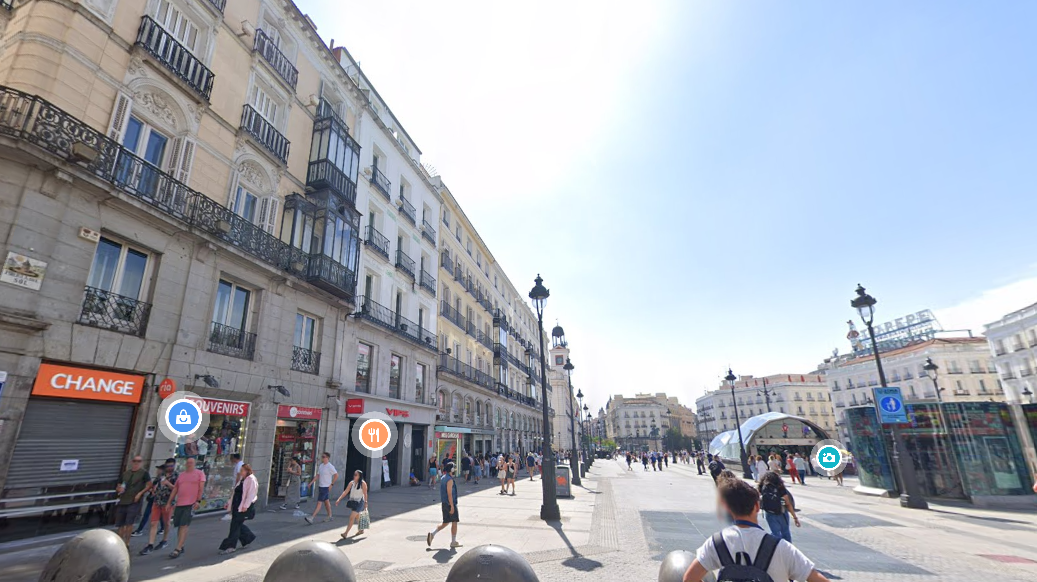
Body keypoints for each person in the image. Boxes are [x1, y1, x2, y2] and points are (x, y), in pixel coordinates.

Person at [682, 477, 829, 582]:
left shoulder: (716, 543)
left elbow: (689, 578)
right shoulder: (781, 547)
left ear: (728, 509)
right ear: (757, 507)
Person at [166, 457, 206, 559]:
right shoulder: (182, 475)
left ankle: (178, 548)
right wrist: (169, 502)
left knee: (184, 525)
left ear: (195, 464)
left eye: (191, 463)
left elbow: (201, 488)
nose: (189, 464)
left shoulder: (199, 474)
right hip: (180, 503)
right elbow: (175, 489)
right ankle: (181, 544)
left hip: (190, 503)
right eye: (188, 463)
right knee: (179, 525)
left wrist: (198, 501)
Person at [139, 459, 177, 555]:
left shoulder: (176, 476)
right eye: (168, 465)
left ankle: (164, 540)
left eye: (171, 465)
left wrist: (168, 484)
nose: (169, 467)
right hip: (157, 501)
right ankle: (150, 544)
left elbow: (177, 489)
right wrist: (153, 489)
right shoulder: (162, 475)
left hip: (168, 503)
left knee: (166, 523)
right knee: (153, 523)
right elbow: (154, 484)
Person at [218, 464, 258, 554]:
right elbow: (235, 492)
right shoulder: (242, 479)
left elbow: (251, 494)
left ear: (247, 470)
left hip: (242, 507)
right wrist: (229, 503)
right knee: (237, 524)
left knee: (235, 525)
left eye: (242, 470)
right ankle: (248, 538)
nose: (240, 472)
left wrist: (246, 506)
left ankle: (230, 546)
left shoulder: (251, 479)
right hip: (237, 505)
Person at [114, 456, 150, 546]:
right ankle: (120, 543)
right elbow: (118, 485)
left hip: (134, 501)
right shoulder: (126, 473)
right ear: (132, 462)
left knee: (129, 523)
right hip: (123, 499)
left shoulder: (144, 473)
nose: (136, 463)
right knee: (120, 523)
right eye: (134, 461)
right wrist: (119, 489)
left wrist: (140, 493)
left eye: (139, 461)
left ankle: (127, 543)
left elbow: (149, 485)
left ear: (141, 462)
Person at [426, 462, 462, 549]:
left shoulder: (443, 478)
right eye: (454, 468)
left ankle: (432, 534)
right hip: (450, 503)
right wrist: (452, 506)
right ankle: (453, 541)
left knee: (445, 522)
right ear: (452, 469)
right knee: (454, 521)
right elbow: (449, 493)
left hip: (444, 503)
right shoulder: (449, 480)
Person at [758, 471, 800, 543]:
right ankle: (788, 550)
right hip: (781, 512)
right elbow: (787, 503)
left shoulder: (763, 487)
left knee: (775, 534)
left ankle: (777, 550)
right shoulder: (780, 486)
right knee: (785, 533)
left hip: (769, 513)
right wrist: (795, 517)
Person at [335, 470, 369, 539]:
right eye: (354, 474)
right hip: (353, 502)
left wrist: (365, 502)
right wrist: (339, 499)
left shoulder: (363, 483)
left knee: (352, 517)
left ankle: (345, 533)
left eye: (356, 475)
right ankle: (361, 529)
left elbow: (365, 494)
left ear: (359, 476)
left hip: (359, 502)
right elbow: (346, 491)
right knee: (357, 516)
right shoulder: (351, 483)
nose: (354, 476)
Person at [305, 452, 338, 524]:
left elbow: (336, 475)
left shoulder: (330, 466)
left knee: (319, 503)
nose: (322, 458)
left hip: (326, 487)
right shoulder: (321, 466)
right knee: (326, 502)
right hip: (321, 486)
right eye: (322, 457)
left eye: (324, 457)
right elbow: (317, 475)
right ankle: (330, 516)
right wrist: (311, 483)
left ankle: (312, 517)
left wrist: (331, 484)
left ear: (328, 458)